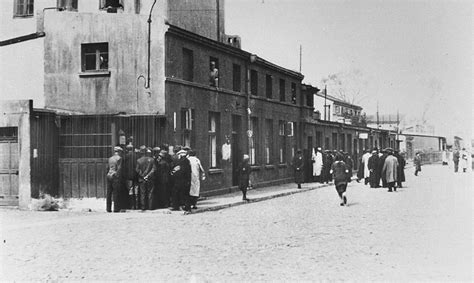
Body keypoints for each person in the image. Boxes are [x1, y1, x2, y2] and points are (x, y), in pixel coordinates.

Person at [136, 146, 157, 210]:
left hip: (142, 179)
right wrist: (148, 176)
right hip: (150, 179)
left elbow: (137, 170)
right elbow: (154, 169)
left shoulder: (139, 160)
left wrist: (142, 176)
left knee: (142, 193)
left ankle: (143, 207)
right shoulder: (151, 159)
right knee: (150, 192)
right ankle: (150, 207)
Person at [106, 146, 125, 212]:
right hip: (115, 176)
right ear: (119, 152)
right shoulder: (119, 158)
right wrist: (117, 175)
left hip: (109, 175)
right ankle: (116, 208)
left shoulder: (110, 158)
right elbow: (119, 168)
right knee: (116, 193)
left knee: (109, 192)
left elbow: (107, 167)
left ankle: (108, 208)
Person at [123, 144, 138, 209]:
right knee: (136, 190)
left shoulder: (125, 156)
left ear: (127, 149)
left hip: (128, 176)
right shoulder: (136, 156)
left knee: (130, 190)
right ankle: (136, 205)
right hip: (135, 175)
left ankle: (131, 205)